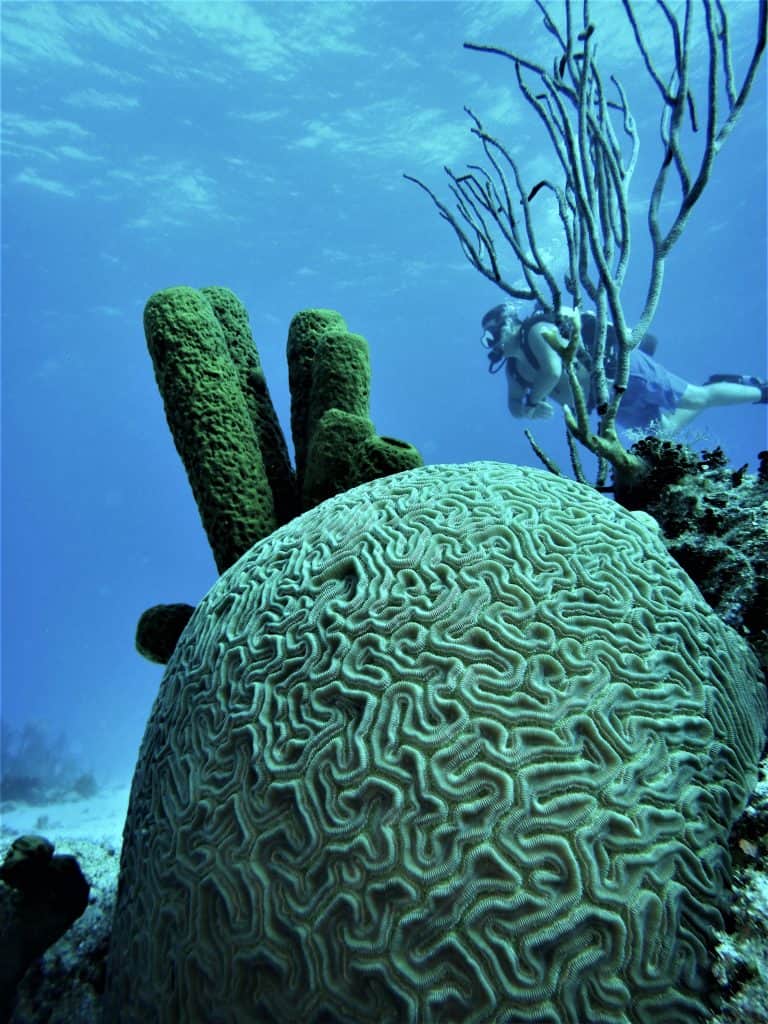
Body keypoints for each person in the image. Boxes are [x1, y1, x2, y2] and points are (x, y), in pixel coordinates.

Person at [480, 302, 767, 432]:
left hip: (620, 371)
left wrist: (533, 400)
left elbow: (552, 370)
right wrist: (527, 411)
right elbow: (513, 404)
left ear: (508, 325)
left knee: (696, 398)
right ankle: (714, 386)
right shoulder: (514, 369)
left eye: (490, 334)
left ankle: (761, 391)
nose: (490, 343)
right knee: (663, 431)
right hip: (604, 401)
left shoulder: (535, 330)